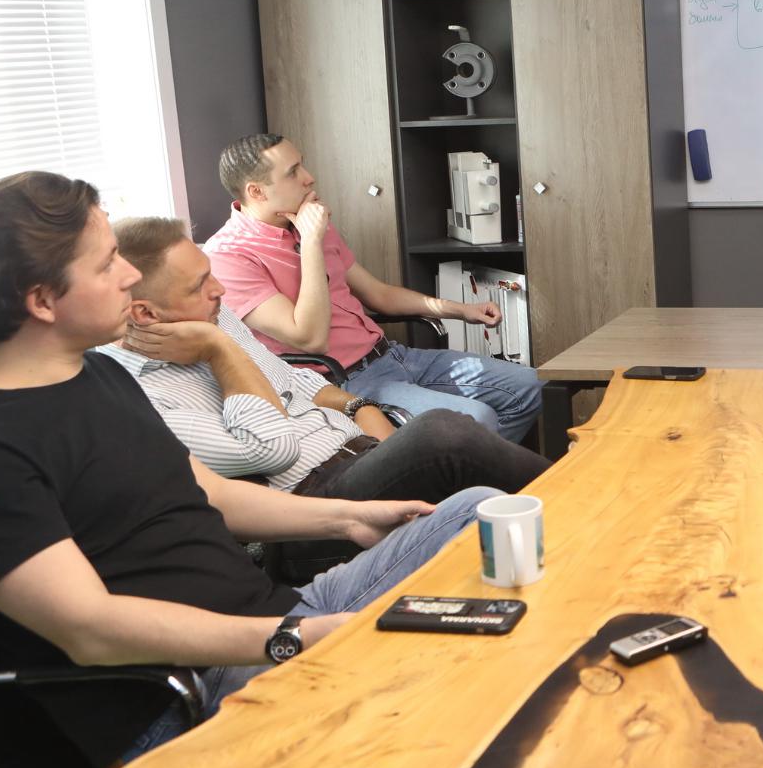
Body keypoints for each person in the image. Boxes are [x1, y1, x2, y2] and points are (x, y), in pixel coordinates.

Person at [0, 172, 506, 766]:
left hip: (277, 618)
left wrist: (349, 519)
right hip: (194, 693)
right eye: (105, 265)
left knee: (479, 510)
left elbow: (210, 494)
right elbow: (90, 630)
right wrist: (290, 638)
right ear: (42, 301)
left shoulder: (102, 376)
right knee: (451, 700)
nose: (126, 275)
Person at [97, 217, 549, 580]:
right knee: (443, 431)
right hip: (308, 518)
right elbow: (274, 449)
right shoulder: (133, 392)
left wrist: (361, 408)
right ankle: (581, 502)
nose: (219, 290)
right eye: (199, 285)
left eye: (210, 274)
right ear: (145, 313)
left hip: (360, 457)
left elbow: (298, 380)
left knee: (483, 504)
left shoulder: (216, 315)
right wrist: (220, 350)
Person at [203, 134, 542, 442]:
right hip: (344, 382)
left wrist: (460, 310)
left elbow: (379, 294)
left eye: (302, 164)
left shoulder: (307, 223)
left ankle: (466, 474)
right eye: (293, 172)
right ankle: (463, 475)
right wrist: (311, 243)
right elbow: (309, 338)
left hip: (392, 356)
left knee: (532, 386)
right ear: (256, 192)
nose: (309, 177)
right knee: (476, 420)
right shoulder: (229, 256)